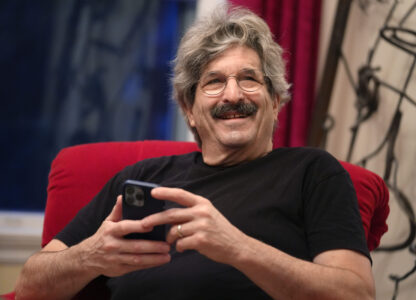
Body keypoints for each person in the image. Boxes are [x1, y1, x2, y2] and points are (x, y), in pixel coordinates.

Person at [15, 5, 375, 300]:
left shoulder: (313, 173)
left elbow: (355, 294)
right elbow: (30, 285)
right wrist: (90, 255)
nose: (233, 95)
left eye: (249, 79)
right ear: (189, 109)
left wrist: (237, 247)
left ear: (276, 101)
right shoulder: (139, 180)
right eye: (214, 82)